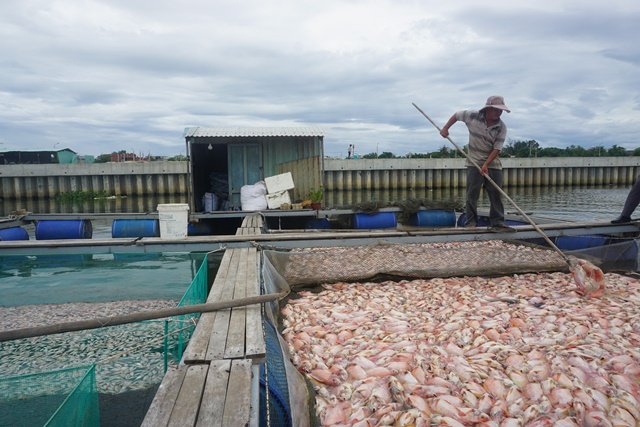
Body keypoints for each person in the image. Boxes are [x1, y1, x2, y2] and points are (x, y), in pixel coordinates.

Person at [440, 95, 515, 232]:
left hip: (492, 164)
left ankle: (497, 222)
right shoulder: (472, 116)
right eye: (496, 110)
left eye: (501, 110)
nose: (499, 113)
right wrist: (445, 128)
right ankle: (471, 223)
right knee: (472, 194)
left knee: (496, 194)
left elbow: (497, 149)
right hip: (473, 163)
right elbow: (456, 115)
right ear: (488, 109)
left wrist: (486, 164)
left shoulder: (501, 127)